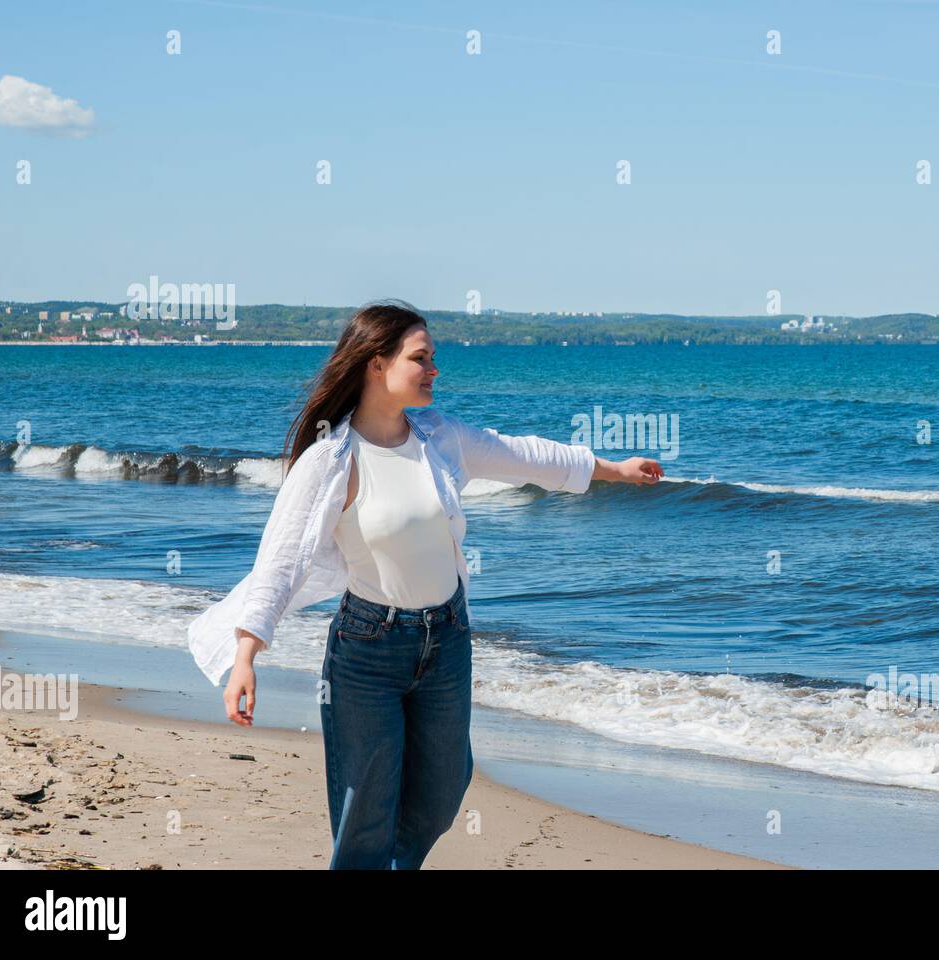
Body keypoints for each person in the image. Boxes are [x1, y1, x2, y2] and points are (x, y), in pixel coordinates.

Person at [186, 299, 663, 868]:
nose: (434, 368)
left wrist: (612, 468)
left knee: (442, 791)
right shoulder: (330, 459)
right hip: (368, 651)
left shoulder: (439, 437)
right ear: (375, 364)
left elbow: (523, 455)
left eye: (432, 356)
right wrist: (246, 655)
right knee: (365, 812)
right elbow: (280, 562)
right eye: (421, 357)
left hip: (447, 640)